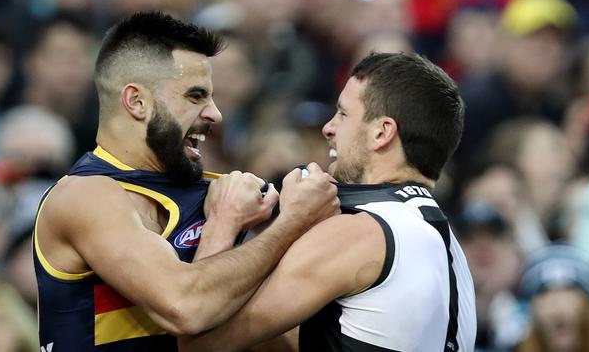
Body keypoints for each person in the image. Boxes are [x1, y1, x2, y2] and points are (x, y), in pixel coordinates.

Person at [33, 11, 339, 351]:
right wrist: (284, 223)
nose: (215, 114)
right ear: (136, 101)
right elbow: (185, 309)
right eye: (195, 96)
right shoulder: (83, 195)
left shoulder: (225, 192)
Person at [180, 52, 477, 352]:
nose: (328, 128)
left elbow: (199, 342)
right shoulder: (450, 250)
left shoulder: (362, 232)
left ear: (382, 132)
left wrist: (223, 221)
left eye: (343, 114)